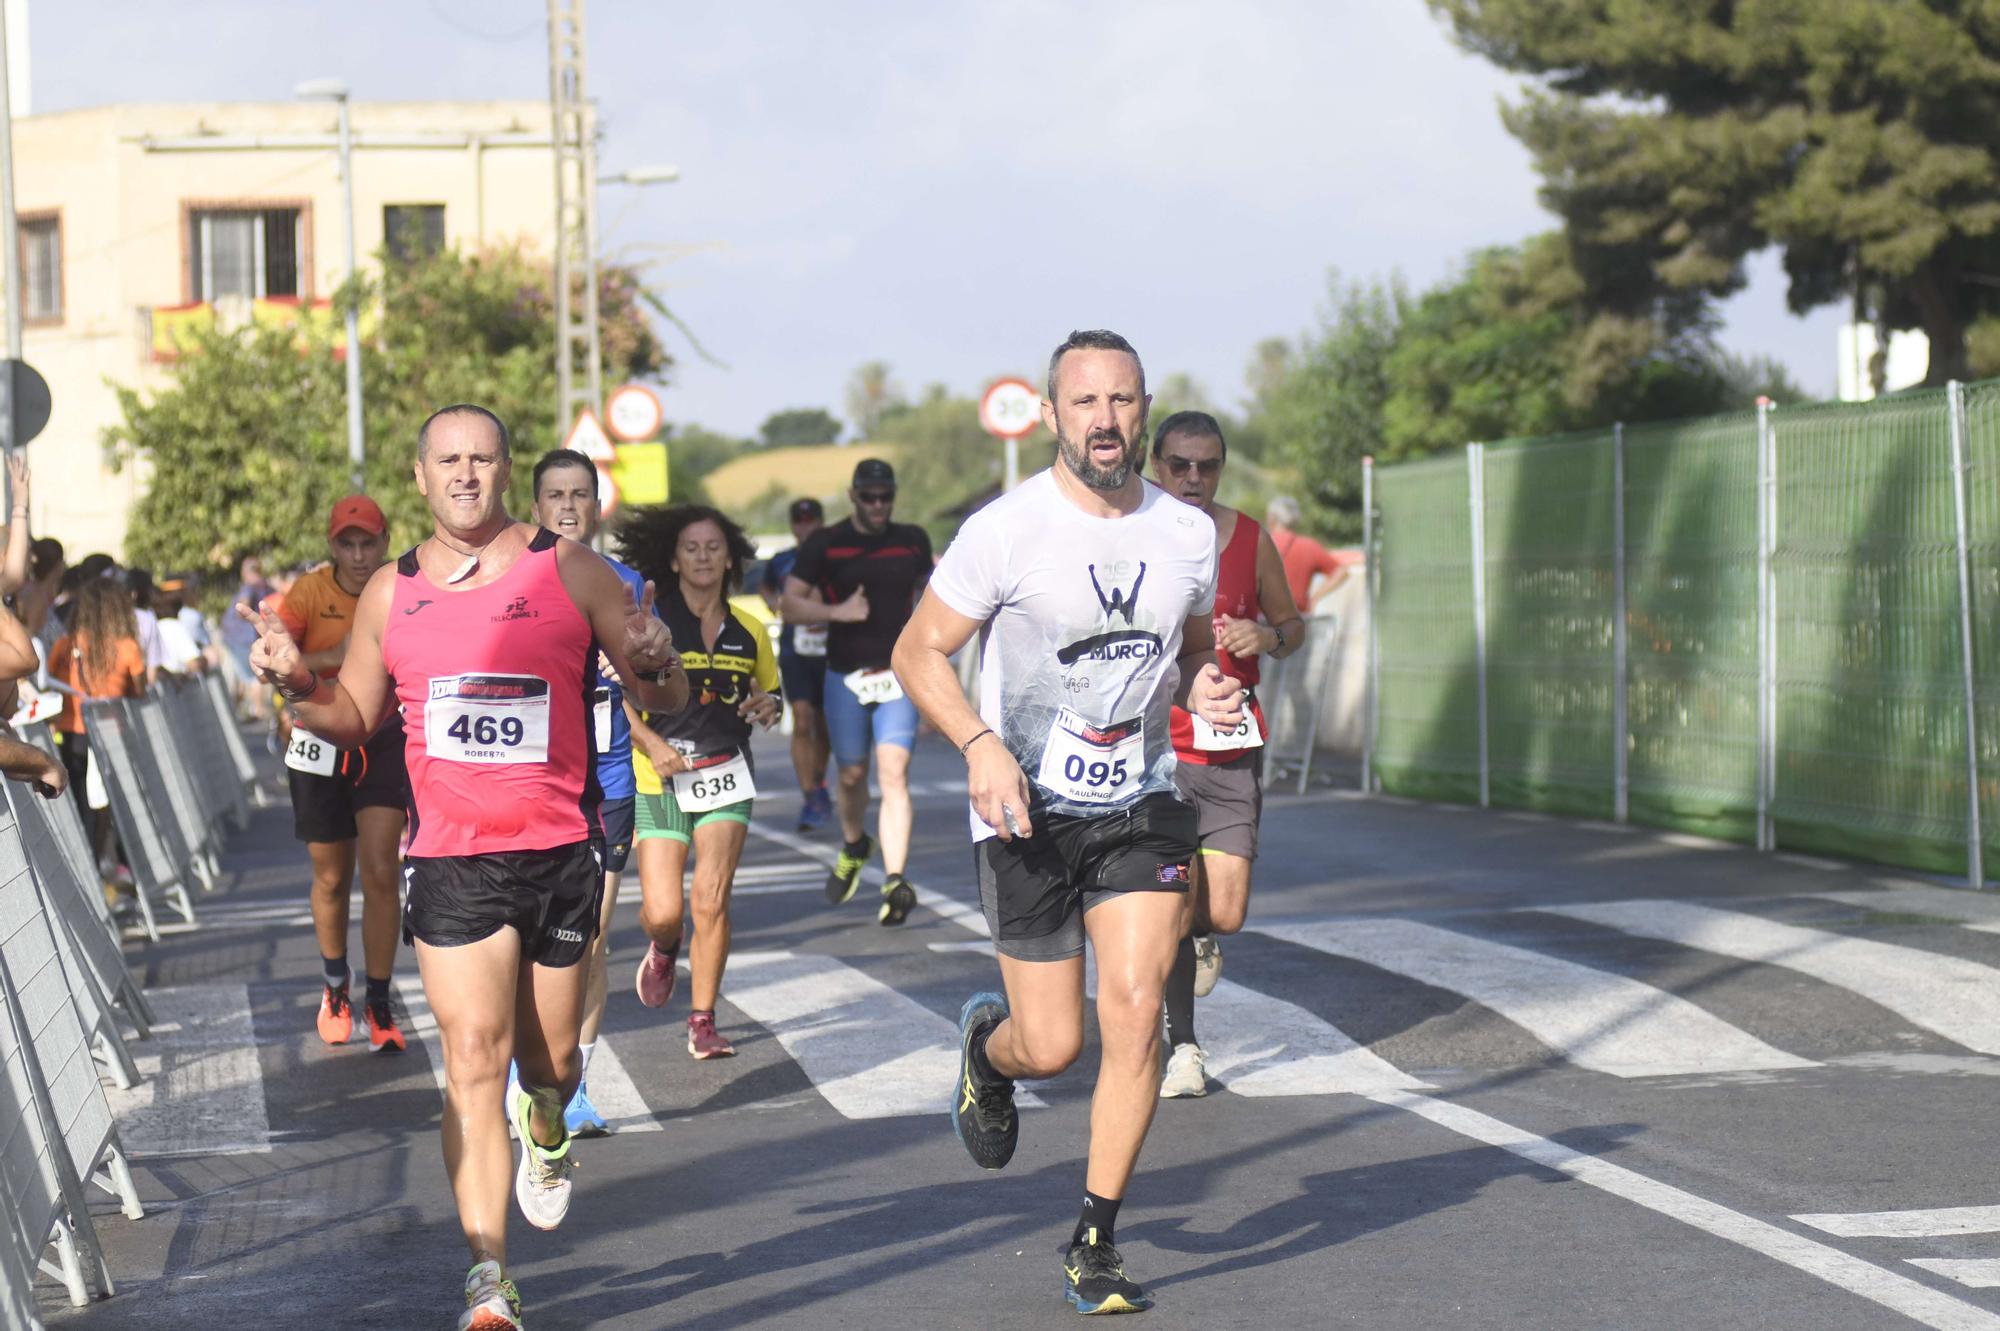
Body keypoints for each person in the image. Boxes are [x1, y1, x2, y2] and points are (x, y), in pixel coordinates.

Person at [239, 404, 686, 1331]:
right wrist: (296, 688)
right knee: (474, 1056)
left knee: (548, 1060)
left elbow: (660, 690)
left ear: (506, 470)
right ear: (420, 475)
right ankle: (488, 1277)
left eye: (482, 459)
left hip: (559, 851)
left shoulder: (565, 568)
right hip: (449, 861)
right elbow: (355, 715)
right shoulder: (390, 595)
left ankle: (550, 1121)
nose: (466, 474)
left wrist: (659, 664)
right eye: (449, 460)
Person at [892, 329, 1246, 1315]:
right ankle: (985, 1051)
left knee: (1133, 1007)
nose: (1105, 419)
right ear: (1052, 415)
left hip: (1138, 802)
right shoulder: (1003, 530)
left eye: (1122, 400)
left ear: (1142, 408)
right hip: (1025, 810)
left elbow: (1182, 641)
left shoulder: (1184, 531)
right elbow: (919, 650)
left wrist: (1204, 684)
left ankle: (1095, 1234)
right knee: (1051, 1045)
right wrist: (974, 741)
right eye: (1084, 402)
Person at [1148, 412, 1306, 1098]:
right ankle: (1183, 1046)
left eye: (1206, 465)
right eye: (1180, 464)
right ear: (1156, 464)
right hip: (1158, 756)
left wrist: (1263, 638)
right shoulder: (1136, 537)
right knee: (1173, 903)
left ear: (1221, 468)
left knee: (1227, 911)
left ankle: (1200, 937)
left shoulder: (1249, 538)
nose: (1192, 478)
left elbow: (1293, 627)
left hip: (1233, 751)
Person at [619, 503, 781, 1059]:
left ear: (730, 557)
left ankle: (703, 1019)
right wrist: (654, 745)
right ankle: (664, 947)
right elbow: (620, 699)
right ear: (673, 558)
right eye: (692, 548)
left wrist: (769, 706)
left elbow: (771, 695)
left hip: (727, 776)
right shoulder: (654, 623)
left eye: (714, 547)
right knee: (665, 911)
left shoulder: (751, 629)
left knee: (711, 900)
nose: (704, 556)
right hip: (659, 778)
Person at [526, 446, 647, 1134]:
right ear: (536, 506)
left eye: (580, 494)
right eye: (555, 495)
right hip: (537, 788)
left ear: (597, 507)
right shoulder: (514, 578)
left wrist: (634, 662)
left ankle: (572, 1089)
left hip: (608, 783)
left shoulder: (626, 584)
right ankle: (526, 1072)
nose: (568, 506)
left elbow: (657, 688)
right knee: (531, 940)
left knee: (592, 939)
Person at [275, 496, 411, 1054]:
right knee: (332, 877)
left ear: (384, 542)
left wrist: (329, 660)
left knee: (381, 870)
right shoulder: (309, 593)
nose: (358, 555)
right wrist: (342, 653)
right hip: (319, 740)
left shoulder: (402, 586)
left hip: (381, 740)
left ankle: (379, 999)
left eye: (368, 542)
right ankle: (336, 987)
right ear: (332, 546)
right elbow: (278, 655)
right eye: (347, 544)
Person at [782, 460, 932, 924]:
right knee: (851, 775)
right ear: (853, 496)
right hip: (843, 675)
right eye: (868, 496)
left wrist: (933, 665)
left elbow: (932, 597)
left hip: (898, 675)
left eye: (885, 496)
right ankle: (854, 842)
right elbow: (789, 602)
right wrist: (839, 612)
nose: (878, 505)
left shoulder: (911, 539)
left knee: (893, 774)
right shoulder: (828, 543)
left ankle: (894, 878)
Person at [48, 577, 147, 854]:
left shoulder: (65, 645)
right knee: (111, 804)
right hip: (111, 734)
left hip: (71, 732)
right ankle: (110, 863)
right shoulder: (127, 646)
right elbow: (139, 691)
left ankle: (88, 866)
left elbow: (51, 683)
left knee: (80, 806)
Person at [758, 497, 833, 831]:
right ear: (793, 524)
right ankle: (810, 795)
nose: (806, 526)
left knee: (825, 721)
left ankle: (818, 778)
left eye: (811, 519)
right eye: (800, 520)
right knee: (801, 719)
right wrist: (776, 604)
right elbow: (765, 585)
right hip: (795, 649)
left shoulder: (834, 556)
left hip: (830, 646)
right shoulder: (782, 560)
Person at [1265, 495, 1349, 611]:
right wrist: (1315, 598)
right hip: (1297, 619)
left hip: (1260, 621)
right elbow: (1341, 572)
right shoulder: (1309, 546)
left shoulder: (1255, 544)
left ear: (1271, 519)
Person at [222, 555, 271, 719]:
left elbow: (243, 604)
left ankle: (253, 709)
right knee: (250, 675)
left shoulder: (250, 585)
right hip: (241, 637)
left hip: (239, 637)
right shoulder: (260, 585)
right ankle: (253, 709)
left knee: (249, 675)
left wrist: (248, 616)